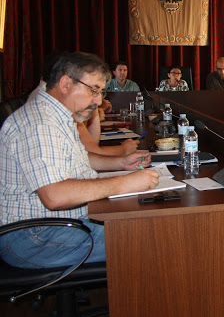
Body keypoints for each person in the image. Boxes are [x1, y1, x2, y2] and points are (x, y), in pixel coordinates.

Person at [0, 52, 159, 269]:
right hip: (33, 237)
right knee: (151, 239)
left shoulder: (58, 115)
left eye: (101, 92)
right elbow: (55, 196)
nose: (98, 101)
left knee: (147, 227)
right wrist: (126, 183)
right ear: (65, 84)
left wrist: (120, 164)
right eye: (93, 90)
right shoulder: (40, 124)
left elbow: (79, 159)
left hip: (51, 226)